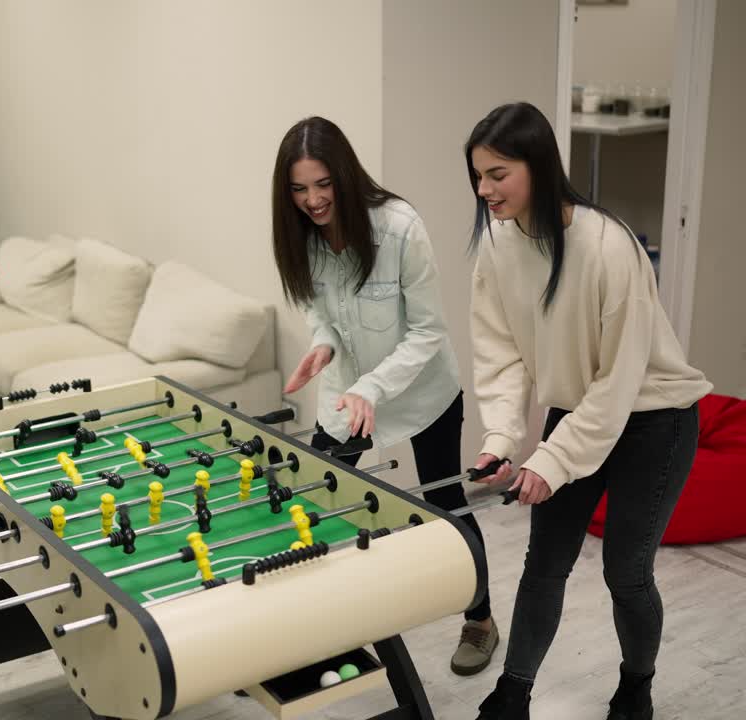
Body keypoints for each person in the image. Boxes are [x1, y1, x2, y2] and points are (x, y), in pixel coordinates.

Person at [466, 102, 712, 720]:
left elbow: (620, 382)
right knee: (543, 564)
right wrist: (501, 436)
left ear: (539, 167)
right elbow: (500, 353)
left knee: (626, 573)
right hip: (580, 411)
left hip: (654, 420)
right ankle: (513, 693)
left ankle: (636, 686)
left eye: (498, 174)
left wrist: (552, 460)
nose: (483, 189)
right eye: (477, 175)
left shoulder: (608, 247)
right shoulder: (497, 244)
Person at [270, 116, 498, 675]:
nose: (313, 200)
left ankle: (481, 620)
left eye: (323, 184)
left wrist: (374, 385)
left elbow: (428, 331)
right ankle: (308, 632)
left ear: (344, 175)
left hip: (423, 390)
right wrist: (323, 346)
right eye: (299, 189)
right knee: (314, 501)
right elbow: (316, 309)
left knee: (446, 507)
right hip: (347, 395)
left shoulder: (398, 227)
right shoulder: (299, 232)